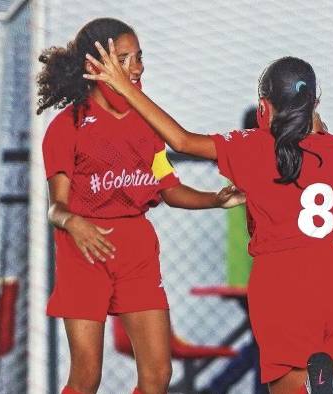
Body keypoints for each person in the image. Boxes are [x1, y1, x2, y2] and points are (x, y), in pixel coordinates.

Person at [85, 50, 333, 394]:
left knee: (289, 384)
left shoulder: (254, 146)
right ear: (314, 104)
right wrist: (316, 126)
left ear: (263, 108)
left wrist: (126, 88)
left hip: (284, 283)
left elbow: (181, 140)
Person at [37, 18, 243, 394]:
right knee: (86, 378)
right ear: (94, 66)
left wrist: (215, 199)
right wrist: (74, 223)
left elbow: (169, 188)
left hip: (136, 252)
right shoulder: (68, 127)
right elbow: (56, 208)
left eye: (139, 57)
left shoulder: (147, 122)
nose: (137, 67)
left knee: (157, 375)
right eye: (124, 58)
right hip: (85, 249)